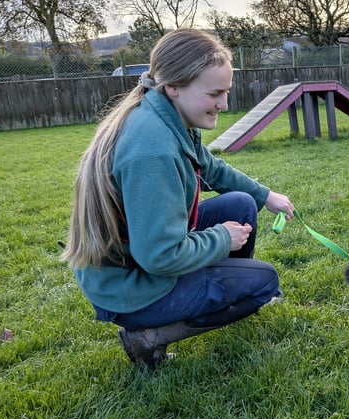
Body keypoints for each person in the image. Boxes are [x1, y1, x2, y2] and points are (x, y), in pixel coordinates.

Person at [61, 28, 294, 369]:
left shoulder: (169, 115)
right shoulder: (153, 150)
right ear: (173, 86)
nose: (224, 104)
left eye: (226, 91)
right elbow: (159, 256)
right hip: (129, 286)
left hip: (140, 261)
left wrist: (265, 196)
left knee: (242, 204)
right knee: (264, 283)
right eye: (215, 93)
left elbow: (210, 167)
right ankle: (147, 336)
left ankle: (213, 284)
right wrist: (220, 239)